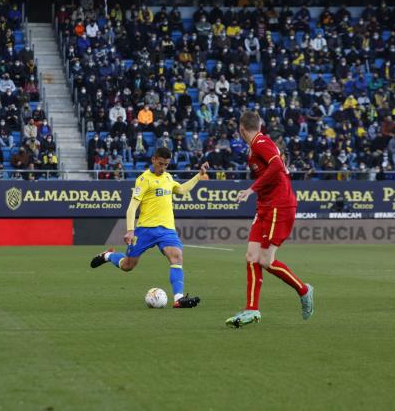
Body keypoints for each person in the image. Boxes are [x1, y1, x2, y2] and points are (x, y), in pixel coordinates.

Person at [225, 111, 314, 328]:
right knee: (251, 257)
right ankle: (252, 310)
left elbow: (276, 166)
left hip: (279, 205)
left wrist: (251, 189)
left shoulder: (260, 142)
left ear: (241, 129)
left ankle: (304, 290)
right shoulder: (258, 144)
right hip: (265, 206)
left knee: (265, 260)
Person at [90, 147, 208, 308]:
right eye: (160, 164)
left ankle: (179, 298)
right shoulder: (144, 179)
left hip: (166, 229)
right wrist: (130, 230)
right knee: (128, 266)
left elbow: (181, 190)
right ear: (153, 159)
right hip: (145, 229)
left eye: (166, 164)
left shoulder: (167, 177)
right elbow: (132, 207)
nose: (163, 167)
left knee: (176, 256)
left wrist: (199, 176)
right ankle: (109, 256)